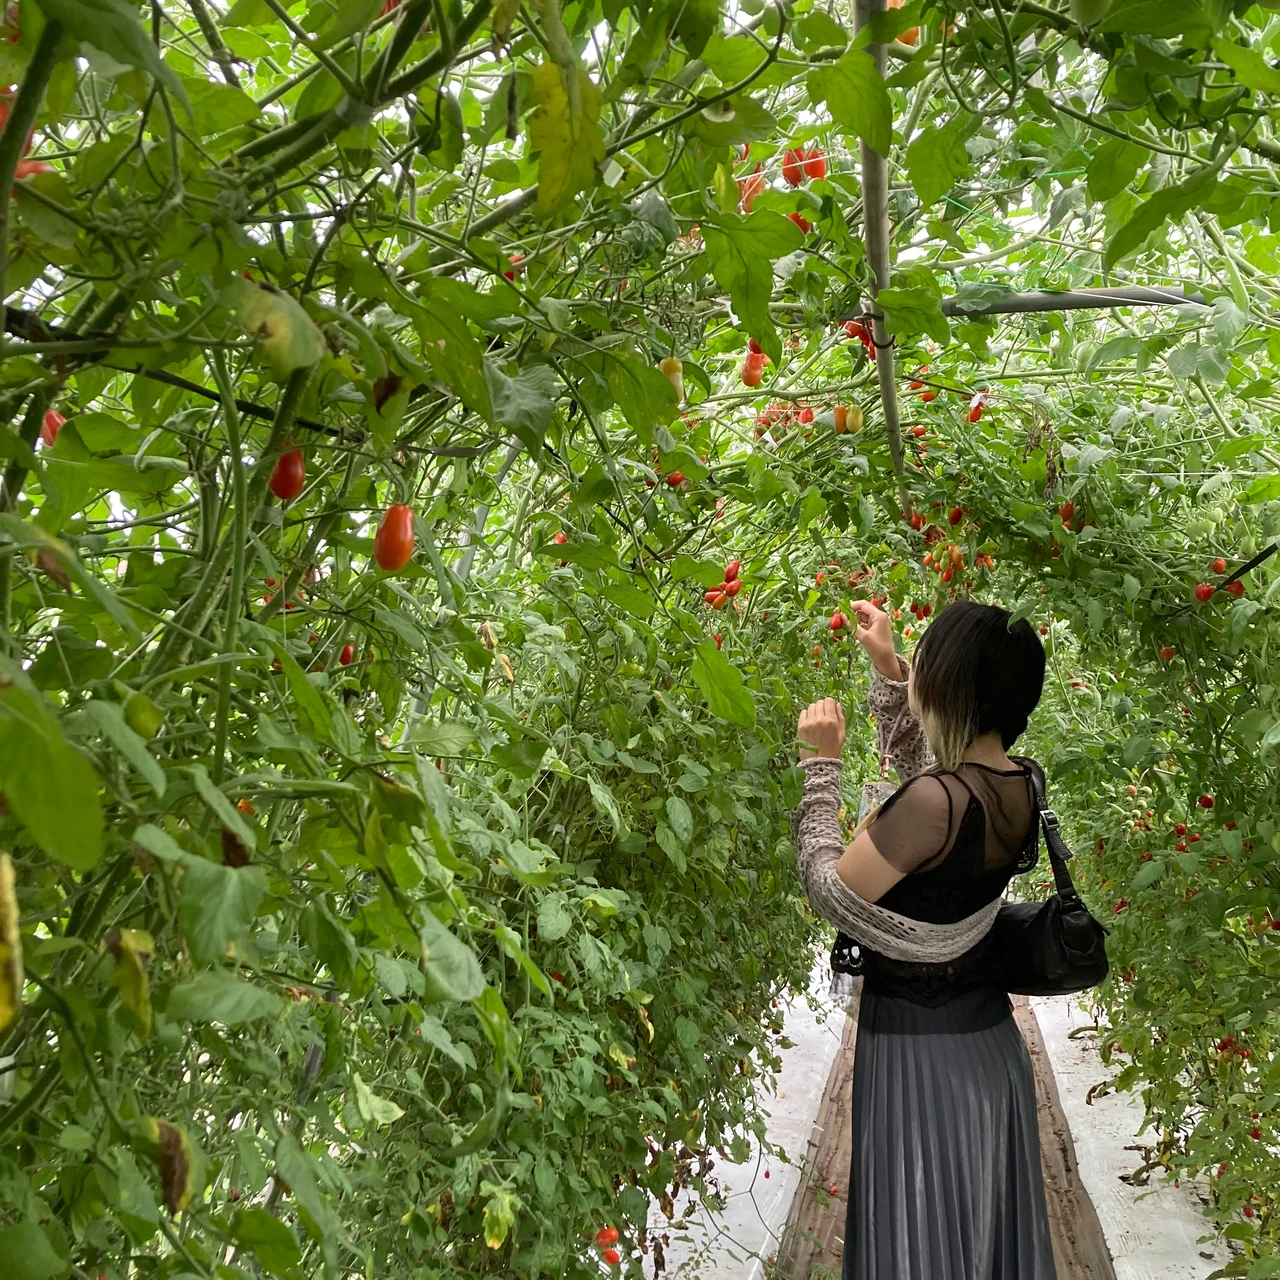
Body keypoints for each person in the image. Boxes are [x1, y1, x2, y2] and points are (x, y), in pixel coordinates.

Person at [791, 598, 1057, 1279]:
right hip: (987, 1046)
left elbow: (831, 890)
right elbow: (933, 784)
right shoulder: (1022, 781)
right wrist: (890, 671)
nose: (918, 668)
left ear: (950, 688)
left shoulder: (935, 804)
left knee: (917, 1240)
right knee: (974, 1237)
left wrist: (820, 769)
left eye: (924, 660)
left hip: (919, 1057)